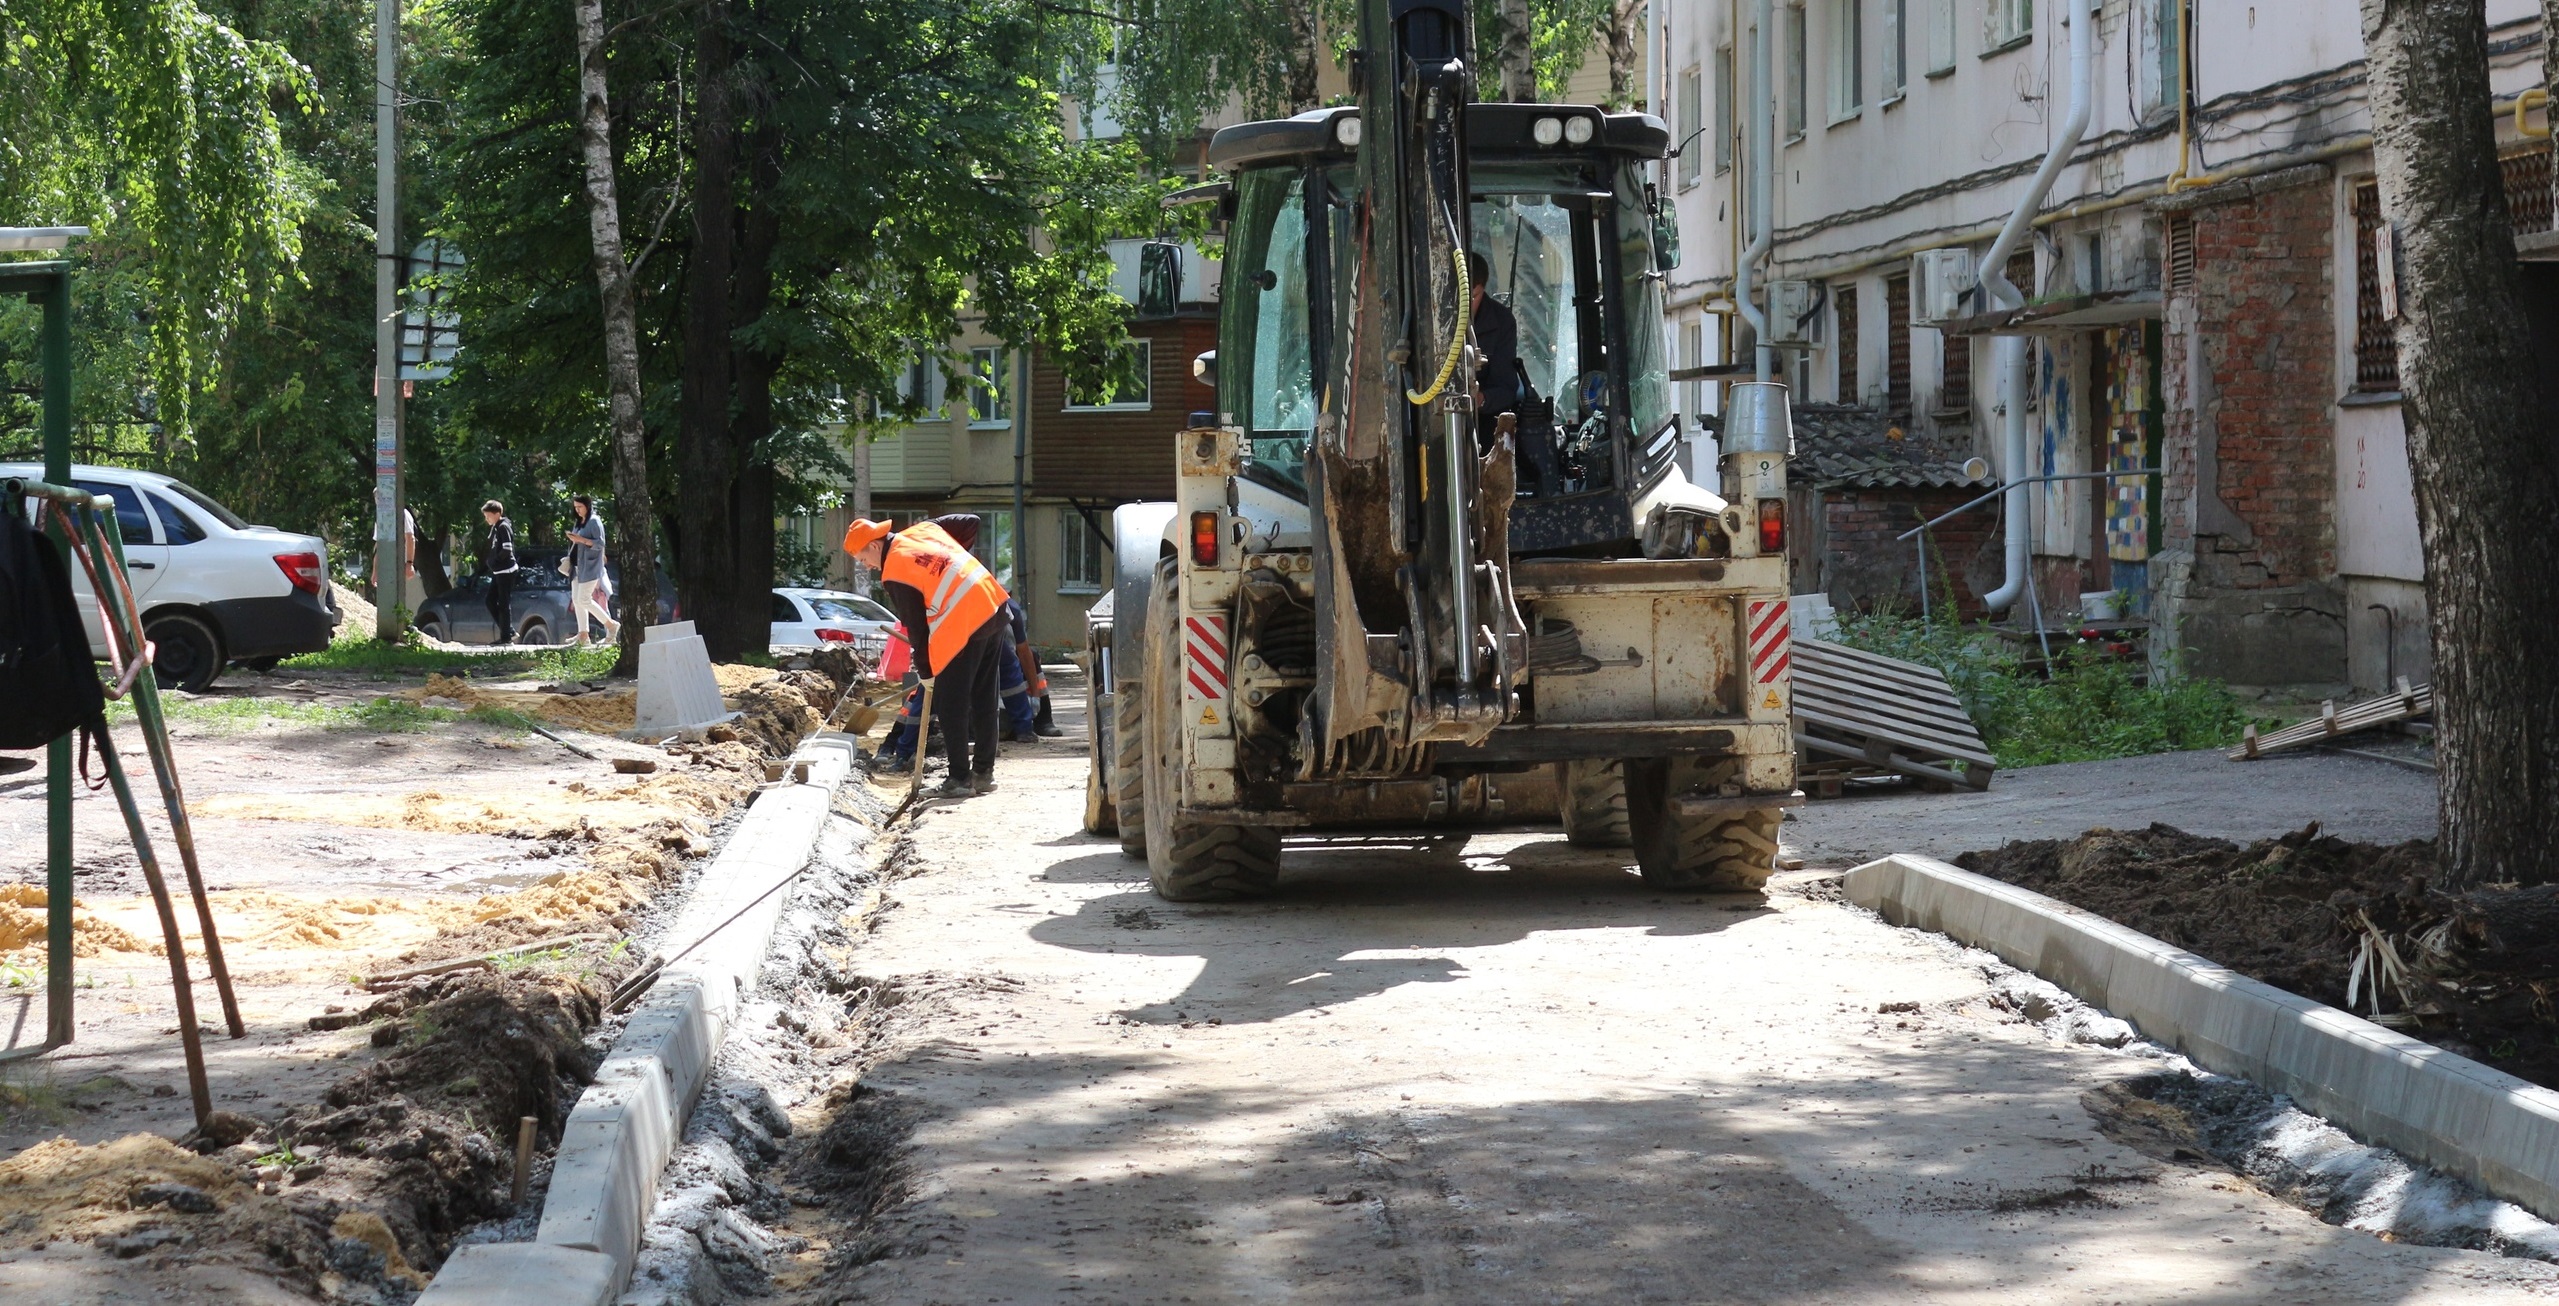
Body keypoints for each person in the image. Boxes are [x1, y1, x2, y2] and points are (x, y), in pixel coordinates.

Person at [842, 516, 1010, 797]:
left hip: (965, 623)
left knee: (950, 704)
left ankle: (959, 780)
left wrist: (926, 671)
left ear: (873, 546)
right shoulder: (924, 531)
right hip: (993, 605)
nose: (866, 566)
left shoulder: (894, 571)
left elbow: (917, 629)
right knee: (984, 698)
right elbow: (970, 522)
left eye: (862, 559)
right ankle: (983, 773)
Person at [564, 494, 620, 647]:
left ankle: (611, 625)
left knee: (584, 599)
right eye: (575, 507)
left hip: (590, 567)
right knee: (577, 600)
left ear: (587, 506)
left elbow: (600, 544)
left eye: (580, 507)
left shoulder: (594, 521)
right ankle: (583, 635)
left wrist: (580, 540)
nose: (577, 510)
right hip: (576, 568)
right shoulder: (579, 522)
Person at [480, 500, 521, 644]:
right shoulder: (496, 527)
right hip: (499, 571)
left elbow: (507, 549)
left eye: (488, 516)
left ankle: (506, 637)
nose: (487, 519)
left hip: (506, 570)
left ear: (497, 514)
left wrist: (495, 561)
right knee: (490, 601)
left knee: (504, 603)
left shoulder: (503, 527)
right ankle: (508, 630)